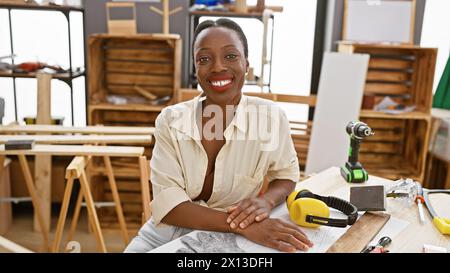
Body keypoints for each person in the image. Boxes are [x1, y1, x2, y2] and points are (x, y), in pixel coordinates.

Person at [125, 18, 313, 253]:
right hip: (165, 236)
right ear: (196, 68)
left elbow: (285, 175)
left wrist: (266, 201)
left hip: (230, 240)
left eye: (231, 56)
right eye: (204, 59)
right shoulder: (171, 121)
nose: (217, 67)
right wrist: (242, 226)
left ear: (246, 64)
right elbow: (171, 208)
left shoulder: (270, 118)